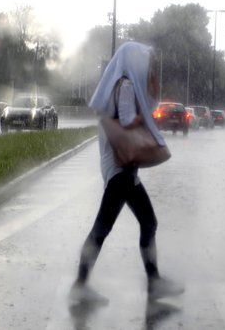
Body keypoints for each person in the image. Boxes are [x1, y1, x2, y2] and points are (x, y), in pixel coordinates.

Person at [70, 41, 184, 303]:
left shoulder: (120, 85)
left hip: (123, 172)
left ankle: (152, 281)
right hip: (120, 172)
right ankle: (81, 283)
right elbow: (126, 120)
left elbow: (126, 114)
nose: (147, 66)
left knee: (145, 222)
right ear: (133, 62)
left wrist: (150, 98)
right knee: (103, 228)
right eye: (143, 61)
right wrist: (145, 117)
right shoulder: (127, 85)